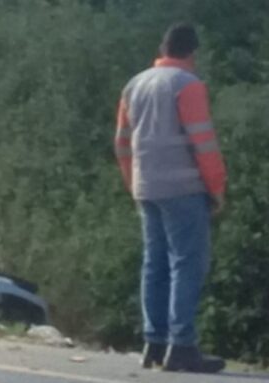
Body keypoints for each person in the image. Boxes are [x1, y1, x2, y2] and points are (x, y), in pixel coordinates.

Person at [115, 23, 227, 373]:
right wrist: (217, 187)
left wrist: (133, 183)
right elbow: (203, 142)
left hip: (147, 187)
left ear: (162, 50)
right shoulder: (187, 85)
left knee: (155, 264)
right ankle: (182, 346)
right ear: (192, 53)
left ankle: (154, 342)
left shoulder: (135, 84)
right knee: (186, 264)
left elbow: (121, 142)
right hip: (183, 189)